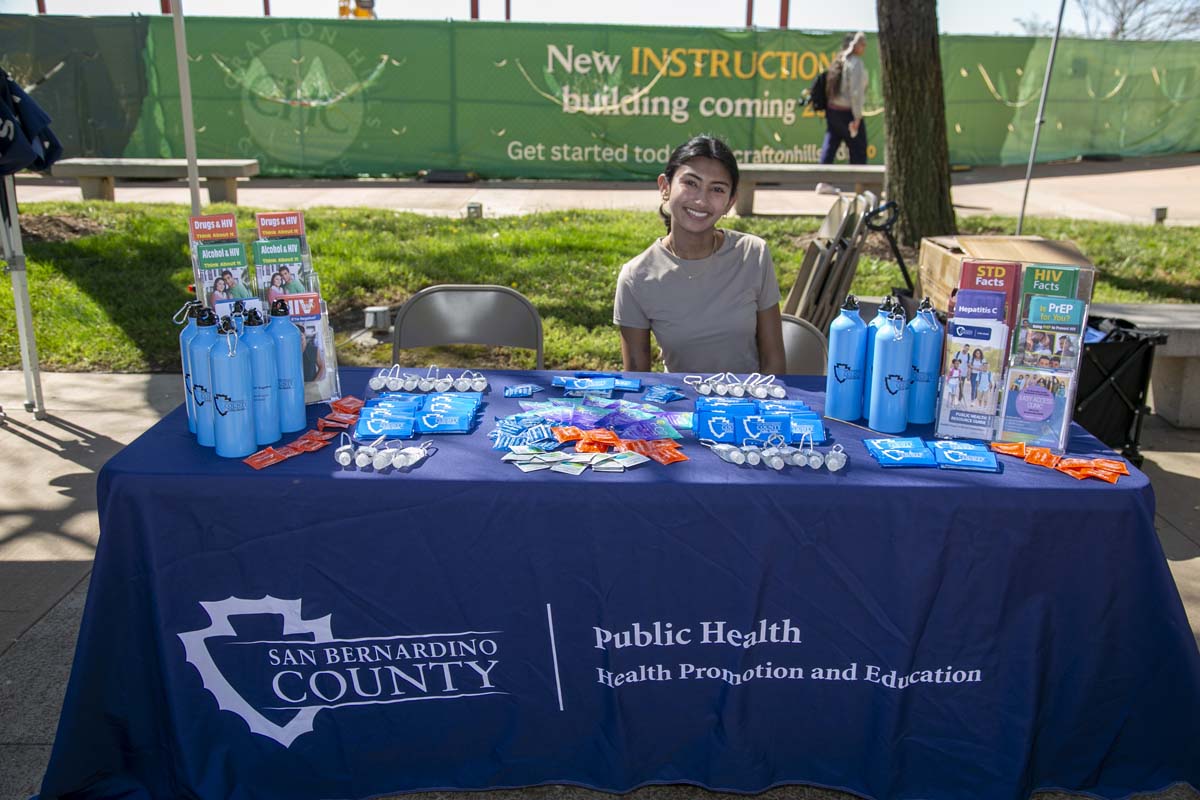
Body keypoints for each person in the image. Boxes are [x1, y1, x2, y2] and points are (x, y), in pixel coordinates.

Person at [613, 135, 785, 375]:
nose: (701, 200)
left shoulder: (753, 254)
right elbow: (636, 377)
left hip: (750, 397)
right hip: (680, 399)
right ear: (665, 187)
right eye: (691, 183)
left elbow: (774, 361)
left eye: (717, 189)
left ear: (730, 202)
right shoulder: (636, 277)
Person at [818, 31, 869, 168]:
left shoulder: (839, 59)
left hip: (832, 111)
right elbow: (856, 93)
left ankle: (821, 177)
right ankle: (859, 180)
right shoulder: (856, 63)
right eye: (863, 43)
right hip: (848, 113)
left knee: (830, 146)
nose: (865, 47)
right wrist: (857, 118)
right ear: (856, 45)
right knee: (859, 150)